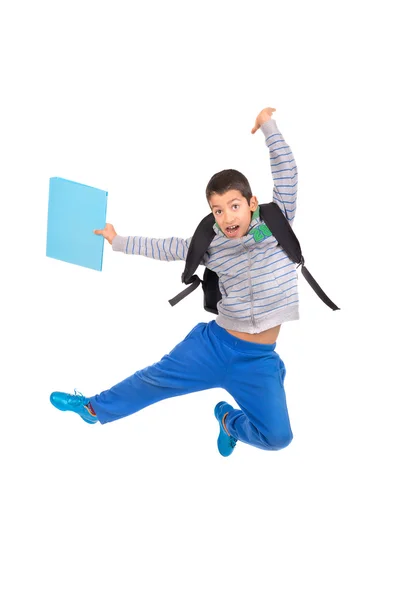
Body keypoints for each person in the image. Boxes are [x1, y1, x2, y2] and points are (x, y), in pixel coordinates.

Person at [50, 106, 298, 457]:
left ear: (251, 203)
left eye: (234, 206)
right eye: (218, 210)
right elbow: (167, 248)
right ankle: (93, 408)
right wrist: (118, 241)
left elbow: (287, 170)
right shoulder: (212, 244)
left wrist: (268, 126)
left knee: (278, 437)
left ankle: (229, 423)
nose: (227, 216)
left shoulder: (277, 222)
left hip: (258, 360)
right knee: (155, 380)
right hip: (214, 346)